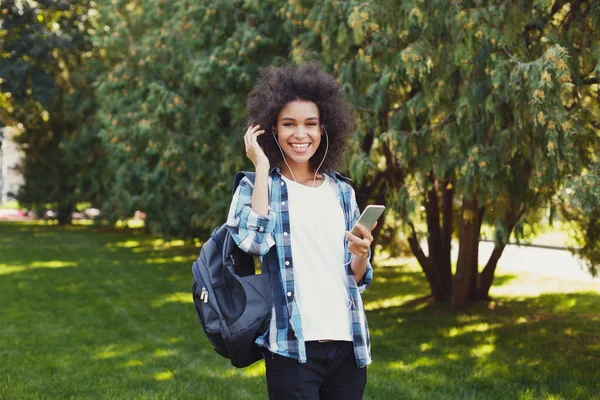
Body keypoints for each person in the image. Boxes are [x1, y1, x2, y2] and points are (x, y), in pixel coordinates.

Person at [226, 62, 375, 399]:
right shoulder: (255, 186)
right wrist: (262, 165)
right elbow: (254, 242)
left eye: (311, 124)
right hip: (292, 348)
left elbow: (355, 279)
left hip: (348, 346)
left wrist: (362, 256)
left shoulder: (341, 192)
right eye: (288, 124)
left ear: (324, 130)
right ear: (272, 130)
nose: (300, 134)